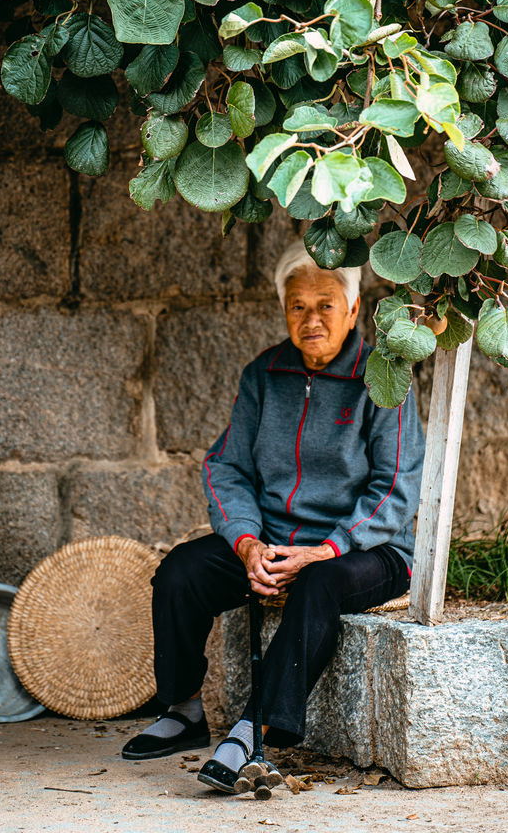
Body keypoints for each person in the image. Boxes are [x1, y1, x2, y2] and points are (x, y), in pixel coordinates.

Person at [121, 239, 426, 793]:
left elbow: (397, 487)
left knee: (320, 585)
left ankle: (251, 731)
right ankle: (183, 708)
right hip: (273, 540)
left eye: (326, 305)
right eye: (298, 306)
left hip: (365, 551)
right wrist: (246, 543)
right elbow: (226, 467)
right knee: (182, 572)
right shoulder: (264, 375)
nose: (311, 319)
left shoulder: (383, 380)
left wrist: (323, 549)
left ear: (354, 309)